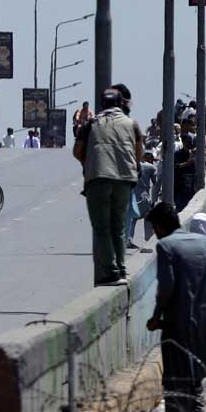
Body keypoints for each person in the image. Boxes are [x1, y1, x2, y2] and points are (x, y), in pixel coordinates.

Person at [145, 203, 206, 412]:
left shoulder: (165, 246)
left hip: (178, 324)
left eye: (155, 228)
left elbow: (167, 286)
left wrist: (156, 316)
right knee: (195, 379)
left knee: (174, 379)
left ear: (160, 226)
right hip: (205, 321)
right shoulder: (202, 244)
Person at [74, 88, 142, 286]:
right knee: (119, 227)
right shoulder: (132, 124)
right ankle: (121, 269)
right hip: (124, 180)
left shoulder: (90, 123)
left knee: (102, 228)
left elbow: (77, 151)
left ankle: (111, 273)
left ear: (101, 105)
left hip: (98, 178)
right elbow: (138, 153)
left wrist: (91, 163)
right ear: (121, 104)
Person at [127, 150, 160, 249]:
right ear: (149, 158)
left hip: (132, 196)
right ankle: (149, 240)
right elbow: (155, 183)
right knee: (149, 217)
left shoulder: (133, 165)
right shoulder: (151, 167)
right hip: (144, 197)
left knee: (132, 219)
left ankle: (128, 239)